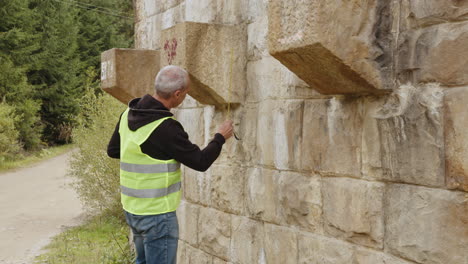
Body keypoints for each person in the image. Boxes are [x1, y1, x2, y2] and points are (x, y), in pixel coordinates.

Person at [107, 65, 233, 264]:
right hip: (157, 216)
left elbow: (113, 151)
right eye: (186, 93)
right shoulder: (165, 127)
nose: (185, 96)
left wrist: (146, 153)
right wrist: (220, 137)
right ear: (177, 94)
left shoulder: (128, 114)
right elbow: (200, 162)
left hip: (132, 209)